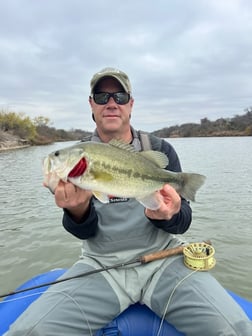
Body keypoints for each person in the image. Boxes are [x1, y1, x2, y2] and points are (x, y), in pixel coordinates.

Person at [6, 67, 252, 336]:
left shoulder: (159, 149)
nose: (111, 104)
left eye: (120, 97)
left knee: (236, 329)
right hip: (101, 266)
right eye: (102, 97)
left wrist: (171, 213)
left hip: (163, 262)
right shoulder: (78, 158)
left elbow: (182, 224)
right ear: (91, 104)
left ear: (131, 104)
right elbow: (83, 232)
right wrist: (77, 210)